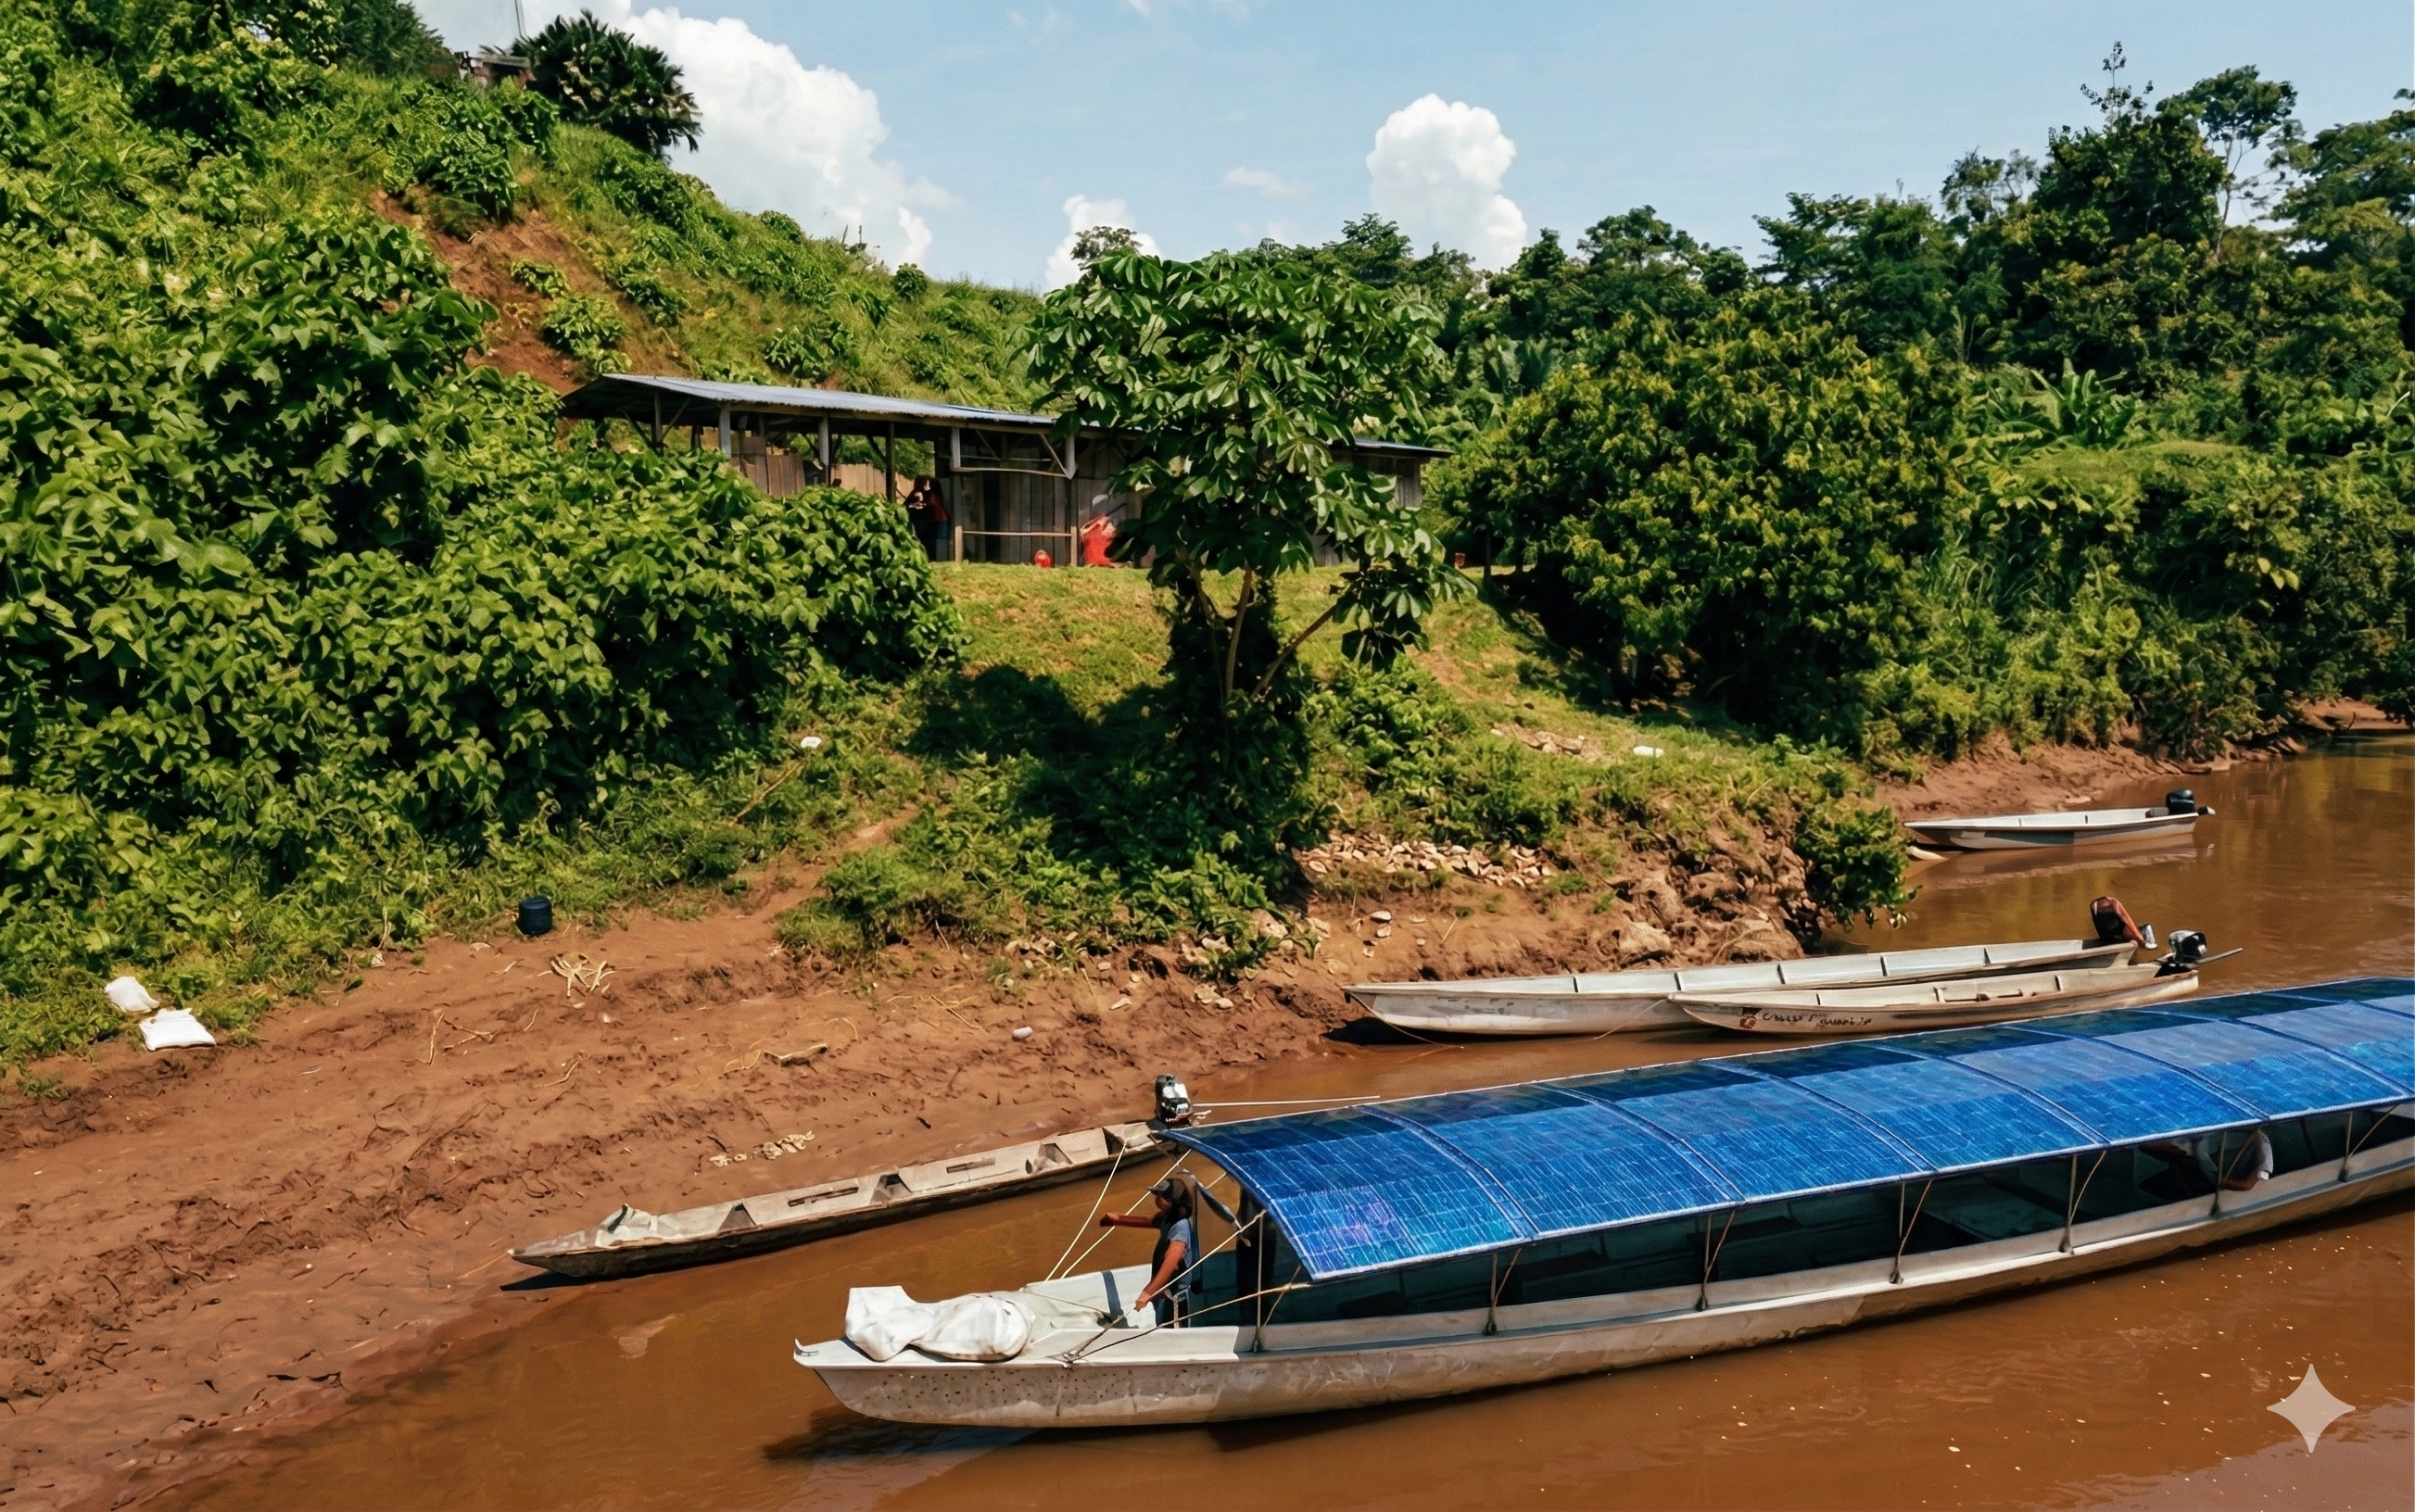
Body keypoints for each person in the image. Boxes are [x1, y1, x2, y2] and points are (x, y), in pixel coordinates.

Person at [1099, 1177, 1197, 1326]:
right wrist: (1117, 1219)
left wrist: (1148, 1292)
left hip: (1175, 1296)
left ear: (1174, 1201)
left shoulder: (1181, 1227)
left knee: (1170, 1326)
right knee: (1160, 1319)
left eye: (1161, 1196)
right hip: (1163, 1290)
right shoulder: (1167, 1217)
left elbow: (1171, 1263)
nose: (1157, 1200)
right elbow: (1148, 1221)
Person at [2146, 1128, 2273, 1193]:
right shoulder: (2223, 1123)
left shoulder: (2261, 1143)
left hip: (2201, 1167)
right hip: (2189, 1148)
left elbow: (2247, 1185)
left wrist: (2222, 1181)